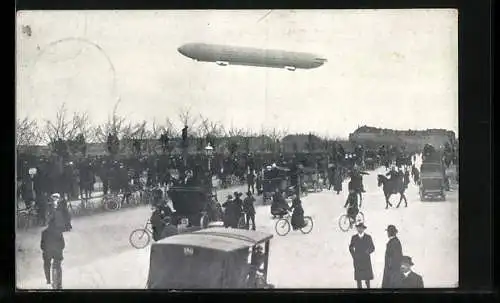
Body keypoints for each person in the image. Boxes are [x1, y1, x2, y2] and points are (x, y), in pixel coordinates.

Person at [349, 222, 375, 289]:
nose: (360, 229)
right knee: (358, 279)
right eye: (358, 228)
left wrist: (368, 251)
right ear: (357, 229)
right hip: (358, 261)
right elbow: (351, 247)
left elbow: (372, 247)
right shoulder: (354, 237)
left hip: (366, 260)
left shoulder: (368, 237)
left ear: (364, 229)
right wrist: (354, 256)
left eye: (361, 228)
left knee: (367, 279)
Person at [40, 218, 65, 288]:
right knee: (57, 266)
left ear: (48, 224)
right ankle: (59, 283)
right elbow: (63, 244)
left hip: (48, 253)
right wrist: (59, 249)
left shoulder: (44, 232)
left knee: (46, 264)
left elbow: (42, 245)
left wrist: (45, 249)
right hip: (57, 252)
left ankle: (48, 279)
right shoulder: (59, 232)